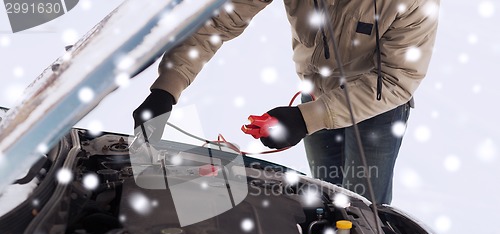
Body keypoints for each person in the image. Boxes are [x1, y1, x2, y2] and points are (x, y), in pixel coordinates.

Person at [132, 0, 440, 204]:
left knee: (360, 212)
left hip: (376, 113)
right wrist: (166, 90)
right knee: (326, 200)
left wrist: (305, 119)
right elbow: (217, 24)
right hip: (315, 98)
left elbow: (397, 79)